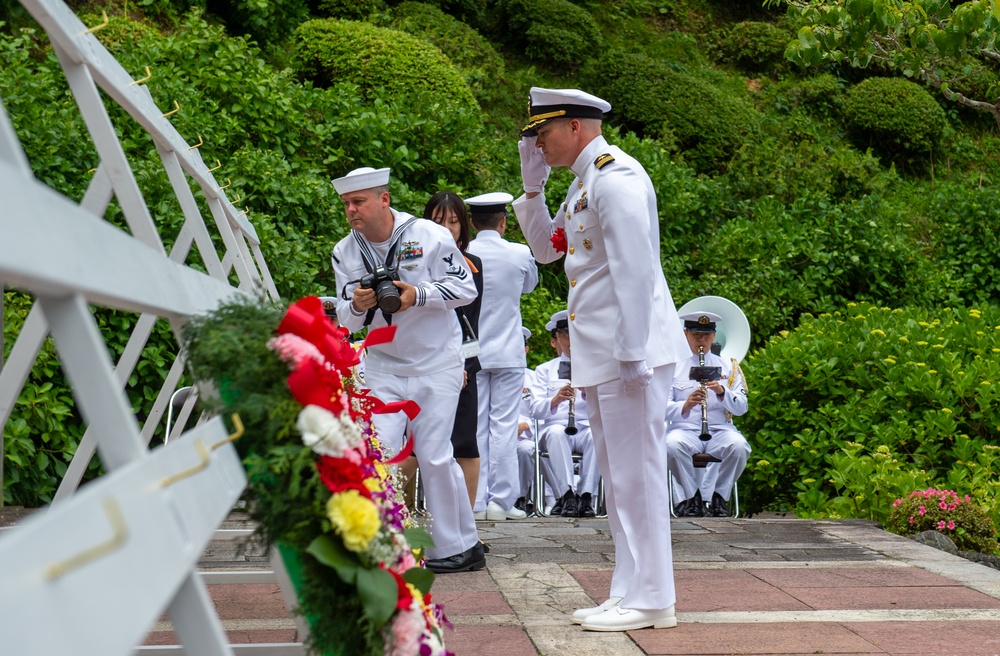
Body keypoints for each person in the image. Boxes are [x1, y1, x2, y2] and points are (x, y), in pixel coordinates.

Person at [511, 88, 690, 631]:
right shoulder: (584, 186)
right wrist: (531, 189)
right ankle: (629, 589)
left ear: (576, 127)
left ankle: (655, 597)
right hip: (603, 353)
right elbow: (548, 250)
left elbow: (636, 270)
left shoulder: (617, 178)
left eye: (544, 132)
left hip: (625, 352)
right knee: (619, 476)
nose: (538, 142)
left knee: (636, 475)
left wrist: (634, 351)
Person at [330, 167, 483, 573]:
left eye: (358, 202)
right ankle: (380, 547)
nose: (351, 211)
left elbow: (466, 287)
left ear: (383, 199)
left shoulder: (430, 236)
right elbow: (346, 318)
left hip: (437, 361)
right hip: (383, 365)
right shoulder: (345, 251)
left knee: (434, 454)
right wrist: (359, 305)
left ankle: (456, 547)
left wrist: (417, 294)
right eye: (346, 204)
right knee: (378, 454)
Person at [466, 192, 539, 521]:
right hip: (509, 351)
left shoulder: (462, 253)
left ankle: (477, 500)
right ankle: (502, 501)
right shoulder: (519, 252)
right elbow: (529, 287)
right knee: (504, 427)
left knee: (477, 425)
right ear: (503, 222)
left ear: (471, 222)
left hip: (474, 351)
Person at [421, 191, 483, 511]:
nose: (446, 228)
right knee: (418, 445)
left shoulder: (473, 264)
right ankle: (411, 524)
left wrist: (462, 363)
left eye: (453, 222)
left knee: (465, 444)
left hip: (462, 364)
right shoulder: (414, 262)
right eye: (438, 221)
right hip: (424, 361)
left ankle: (468, 525)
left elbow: (469, 319)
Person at [665, 311, 750, 518]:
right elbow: (659, 408)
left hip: (719, 428)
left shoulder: (728, 367)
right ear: (685, 334)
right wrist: (685, 405)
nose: (701, 340)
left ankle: (719, 497)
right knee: (672, 446)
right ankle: (690, 497)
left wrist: (722, 393)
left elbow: (742, 407)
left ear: (714, 336)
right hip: (685, 429)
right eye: (696, 335)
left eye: (706, 335)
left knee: (739, 446)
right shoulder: (672, 367)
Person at [529, 310, 598, 518]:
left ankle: (586, 496)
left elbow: (605, 407)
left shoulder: (594, 368)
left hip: (585, 426)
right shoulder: (544, 370)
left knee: (598, 437)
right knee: (557, 434)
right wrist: (556, 399)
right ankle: (567, 495)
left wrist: (588, 393)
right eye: (566, 335)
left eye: (575, 334)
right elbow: (535, 409)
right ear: (556, 339)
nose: (571, 341)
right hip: (555, 426)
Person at [514, 326, 537, 515]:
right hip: (496, 434)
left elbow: (544, 414)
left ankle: (520, 498)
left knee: (525, 449)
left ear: (526, 350)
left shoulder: (534, 378)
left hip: (524, 435)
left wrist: (526, 426)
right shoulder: (490, 376)